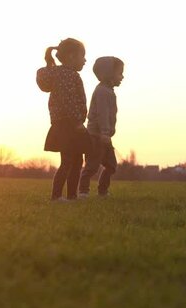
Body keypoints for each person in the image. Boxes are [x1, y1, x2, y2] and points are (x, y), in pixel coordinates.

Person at [36, 38, 89, 201]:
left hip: (67, 124)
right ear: (72, 57)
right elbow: (68, 101)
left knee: (75, 161)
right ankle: (57, 196)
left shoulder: (65, 75)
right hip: (69, 125)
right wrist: (77, 122)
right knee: (68, 161)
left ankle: (71, 195)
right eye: (82, 56)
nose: (85, 60)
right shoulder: (67, 76)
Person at [79, 57, 125, 198]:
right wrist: (105, 133)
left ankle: (103, 191)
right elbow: (102, 114)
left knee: (111, 165)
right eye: (119, 73)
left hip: (105, 136)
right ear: (109, 74)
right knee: (92, 166)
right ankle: (83, 191)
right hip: (96, 135)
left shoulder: (109, 91)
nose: (122, 77)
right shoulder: (102, 92)